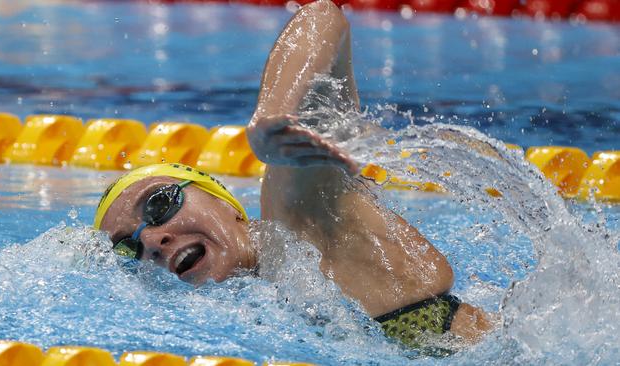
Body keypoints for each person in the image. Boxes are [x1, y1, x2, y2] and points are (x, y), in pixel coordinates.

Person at [93, 0, 493, 348]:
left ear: (223, 201)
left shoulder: (299, 227)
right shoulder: (257, 306)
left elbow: (322, 18)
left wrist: (271, 117)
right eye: (128, 249)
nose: (150, 240)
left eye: (161, 204)